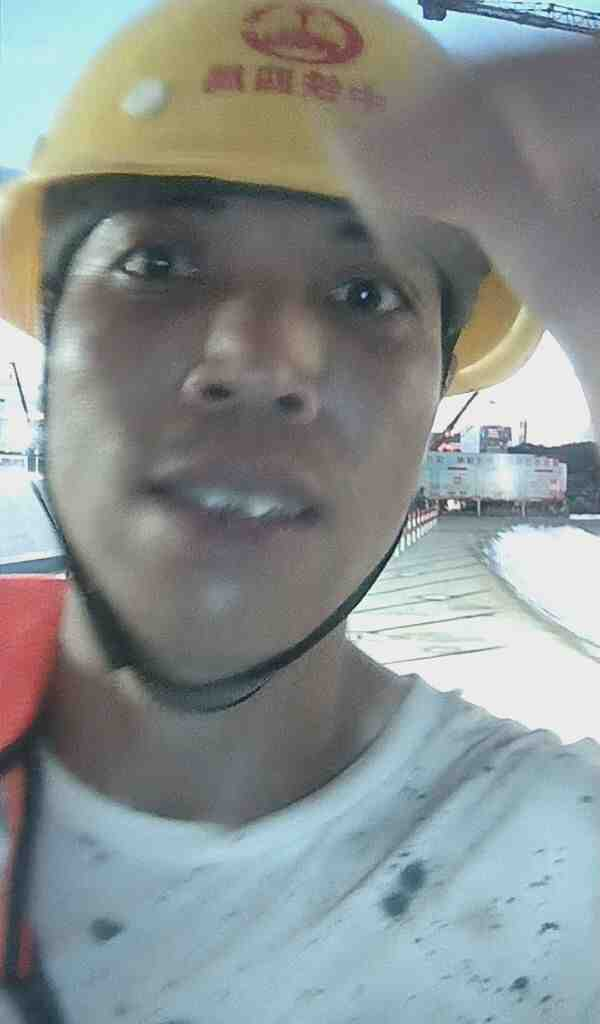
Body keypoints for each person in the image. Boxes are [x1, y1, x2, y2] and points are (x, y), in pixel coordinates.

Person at [0, 2, 598, 1021]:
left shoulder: (564, 878)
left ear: (438, 397)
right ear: (51, 342)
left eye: (365, 295)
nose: (260, 362)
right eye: (159, 264)